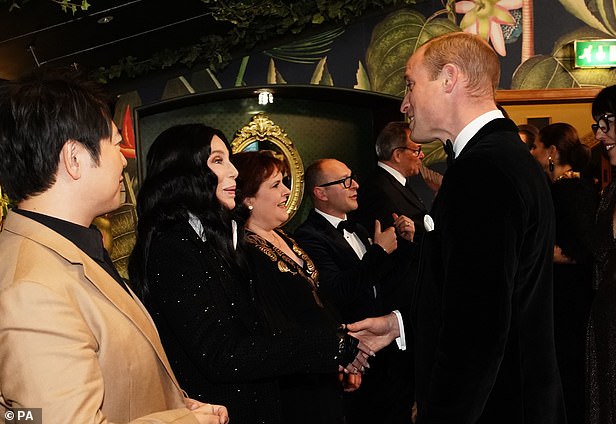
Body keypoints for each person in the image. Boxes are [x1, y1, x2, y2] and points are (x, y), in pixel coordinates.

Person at [348, 32, 566, 424]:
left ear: (449, 78)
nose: (404, 102)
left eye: (410, 84)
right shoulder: (501, 158)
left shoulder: (483, 170)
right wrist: (401, 326)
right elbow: (481, 299)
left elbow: (477, 333)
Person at [0, 69, 227, 423]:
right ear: (74, 158)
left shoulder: (68, 247)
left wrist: (176, 403)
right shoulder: (32, 289)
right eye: (115, 143)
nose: (124, 159)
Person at [128, 125, 366, 424]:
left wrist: (332, 343)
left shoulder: (208, 239)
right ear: (184, 172)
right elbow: (221, 354)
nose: (233, 172)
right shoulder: (173, 246)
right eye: (218, 160)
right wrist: (324, 346)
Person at [232, 150, 368, 424]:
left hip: (322, 372)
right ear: (248, 198)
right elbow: (278, 323)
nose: (286, 191)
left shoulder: (287, 238)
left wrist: (344, 353)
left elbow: (322, 299)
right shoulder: (244, 252)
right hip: (293, 384)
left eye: (284, 182)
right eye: (275, 185)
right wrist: (336, 351)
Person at [294, 158, 414, 423]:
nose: (355, 185)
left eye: (353, 177)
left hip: (384, 353)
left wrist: (404, 245)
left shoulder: (358, 227)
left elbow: (380, 282)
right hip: (351, 359)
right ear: (321, 193)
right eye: (345, 181)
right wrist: (379, 251)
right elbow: (338, 291)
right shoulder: (308, 237)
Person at [530, 122, 598, 423]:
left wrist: (529, 252)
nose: (532, 152)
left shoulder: (567, 191)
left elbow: (579, 250)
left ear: (552, 152)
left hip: (568, 298)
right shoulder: (569, 187)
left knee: (567, 370)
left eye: (536, 146)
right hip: (570, 296)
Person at [586, 78, 616, 424]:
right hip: (605, 333)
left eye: (606, 123)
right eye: (597, 125)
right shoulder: (613, 191)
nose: (599, 135)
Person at [354, 121, 429, 236]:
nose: (422, 155)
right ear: (398, 155)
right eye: (417, 150)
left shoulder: (395, 182)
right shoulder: (378, 190)